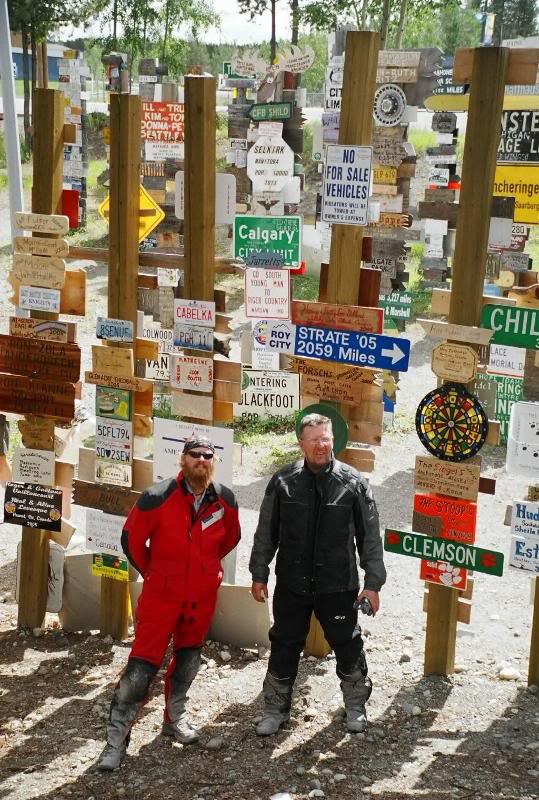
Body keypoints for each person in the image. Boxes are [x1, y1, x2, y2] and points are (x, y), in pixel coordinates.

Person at [97, 437, 241, 770]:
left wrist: (203, 571)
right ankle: (115, 744)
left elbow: (231, 538)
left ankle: (174, 719)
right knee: (139, 671)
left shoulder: (225, 501)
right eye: (195, 455)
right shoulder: (156, 497)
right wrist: (155, 573)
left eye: (208, 455)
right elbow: (130, 540)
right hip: (161, 597)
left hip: (200, 598)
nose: (201, 460)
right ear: (183, 459)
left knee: (189, 661)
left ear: (214, 460)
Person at [249, 413, 386, 736]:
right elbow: (266, 532)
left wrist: (373, 584)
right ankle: (275, 709)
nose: (321, 446)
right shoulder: (283, 481)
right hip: (292, 583)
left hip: (338, 584)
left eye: (325, 439)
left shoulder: (353, 483)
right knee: (283, 643)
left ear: (332, 441)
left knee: (347, 644)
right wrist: (259, 573)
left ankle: (355, 706)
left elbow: (370, 538)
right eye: (314, 440)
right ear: (302, 444)